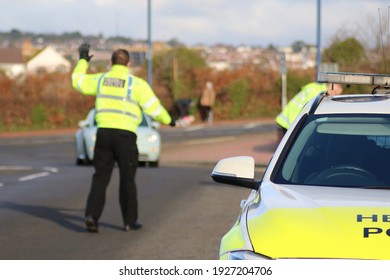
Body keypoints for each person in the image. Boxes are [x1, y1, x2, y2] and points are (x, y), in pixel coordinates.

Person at [71, 44, 175, 233]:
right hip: (126, 137)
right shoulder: (137, 85)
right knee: (127, 179)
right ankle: (129, 221)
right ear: (128, 65)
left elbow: (77, 81)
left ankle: (91, 216)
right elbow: (154, 108)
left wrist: (83, 61)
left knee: (100, 177)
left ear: (110, 63)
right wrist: (170, 120)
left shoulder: (101, 79)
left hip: (103, 134)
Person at [275, 82, 343, 140]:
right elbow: (312, 112)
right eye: (335, 93)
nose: (334, 96)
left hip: (287, 119)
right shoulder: (318, 94)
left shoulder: (316, 88)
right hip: (290, 121)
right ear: (331, 88)